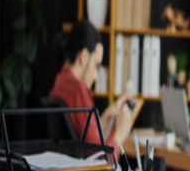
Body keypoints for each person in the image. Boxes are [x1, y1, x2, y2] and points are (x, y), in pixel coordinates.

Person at [50, 19, 136, 161]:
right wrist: (120, 134)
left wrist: (106, 115)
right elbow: (100, 159)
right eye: (96, 65)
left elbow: (83, 139)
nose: (96, 76)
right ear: (83, 57)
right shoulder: (78, 90)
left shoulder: (60, 81)